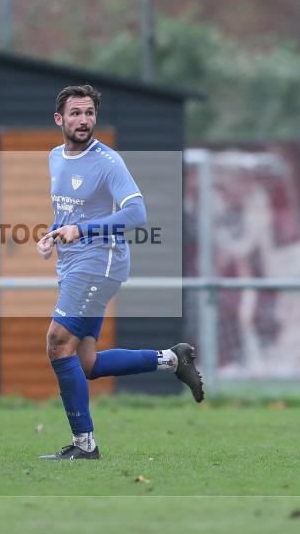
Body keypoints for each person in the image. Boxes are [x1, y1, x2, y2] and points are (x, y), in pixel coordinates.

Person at [36, 85, 203, 460]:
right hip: (74, 262)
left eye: (90, 113)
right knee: (86, 363)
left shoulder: (108, 161)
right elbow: (71, 212)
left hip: (101, 262)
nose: (84, 120)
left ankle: (84, 445)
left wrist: (83, 230)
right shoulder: (54, 158)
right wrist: (54, 235)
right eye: (76, 113)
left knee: (57, 342)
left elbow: (136, 213)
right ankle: (171, 359)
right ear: (59, 119)